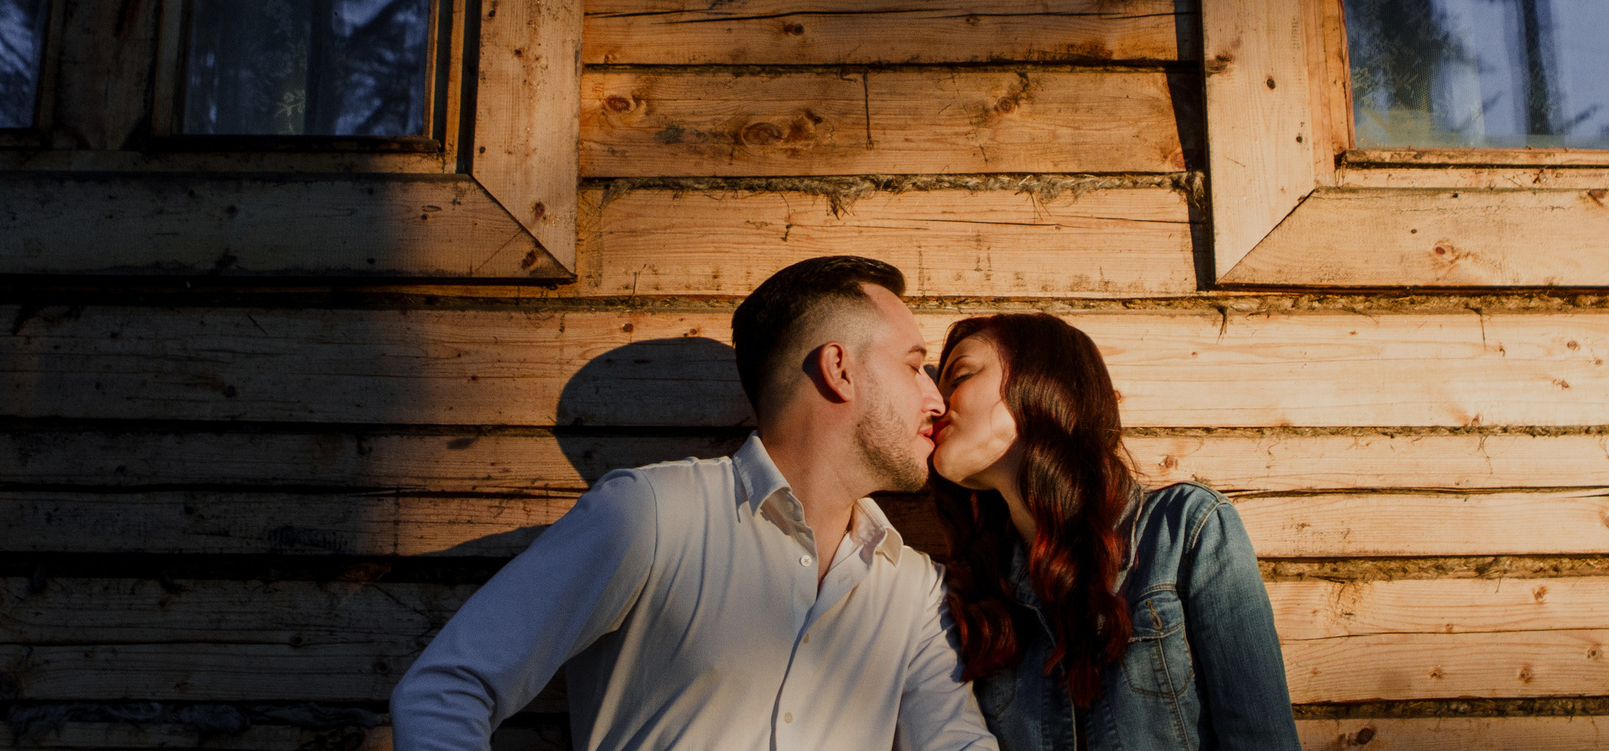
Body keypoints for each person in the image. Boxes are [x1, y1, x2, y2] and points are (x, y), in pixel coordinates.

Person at [392, 255, 996, 751]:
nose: (935, 399)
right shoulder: (653, 515)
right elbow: (448, 689)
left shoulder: (915, 591)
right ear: (839, 369)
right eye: (915, 366)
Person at [927, 312, 1300, 751]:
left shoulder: (1186, 530)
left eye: (961, 374)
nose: (936, 403)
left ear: (1041, 381)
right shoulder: (978, 590)